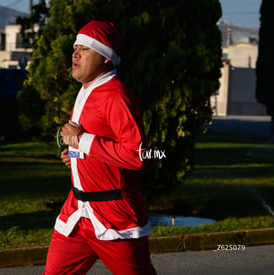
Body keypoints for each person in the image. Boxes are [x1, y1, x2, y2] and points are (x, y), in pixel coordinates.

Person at [43, 20, 157, 275]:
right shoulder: (86, 91)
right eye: (75, 48)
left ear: (106, 57)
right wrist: (75, 155)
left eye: (85, 48)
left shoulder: (116, 95)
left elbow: (138, 155)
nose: (75, 53)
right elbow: (99, 146)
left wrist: (82, 140)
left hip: (116, 218)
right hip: (77, 213)